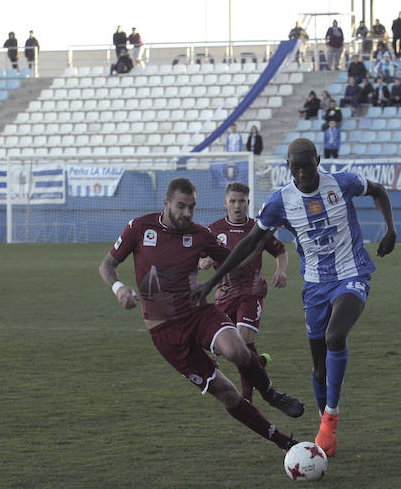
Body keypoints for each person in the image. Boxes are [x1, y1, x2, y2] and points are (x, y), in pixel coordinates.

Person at [191, 138, 397, 457]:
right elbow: (249, 243)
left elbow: (379, 191)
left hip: (352, 273)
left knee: (335, 335)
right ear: (288, 166)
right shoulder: (280, 202)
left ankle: (330, 419)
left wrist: (390, 228)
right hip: (314, 285)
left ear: (317, 160)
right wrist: (212, 281)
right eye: (294, 166)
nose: (300, 172)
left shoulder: (343, 182)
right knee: (318, 370)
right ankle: (322, 419)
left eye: (306, 165)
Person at [100, 177, 304, 452]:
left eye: (192, 207)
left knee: (238, 350)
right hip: (166, 334)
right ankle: (285, 443)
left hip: (198, 314)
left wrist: (261, 238)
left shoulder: (200, 235)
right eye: (181, 206)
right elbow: (107, 265)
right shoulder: (139, 228)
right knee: (228, 394)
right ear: (166, 203)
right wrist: (119, 288)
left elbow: (235, 260)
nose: (187, 213)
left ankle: (271, 394)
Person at [199, 182, 288, 402]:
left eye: (241, 201)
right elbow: (199, 261)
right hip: (224, 294)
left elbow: (280, 252)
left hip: (252, 291)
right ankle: (258, 362)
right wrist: (205, 261)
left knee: (243, 336)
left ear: (248, 203)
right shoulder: (213, 230)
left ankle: (247, 398)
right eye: (233, 201)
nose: (237, 206)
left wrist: (281, 270)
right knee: (222, 347)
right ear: (225, 202)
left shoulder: (259, 229)